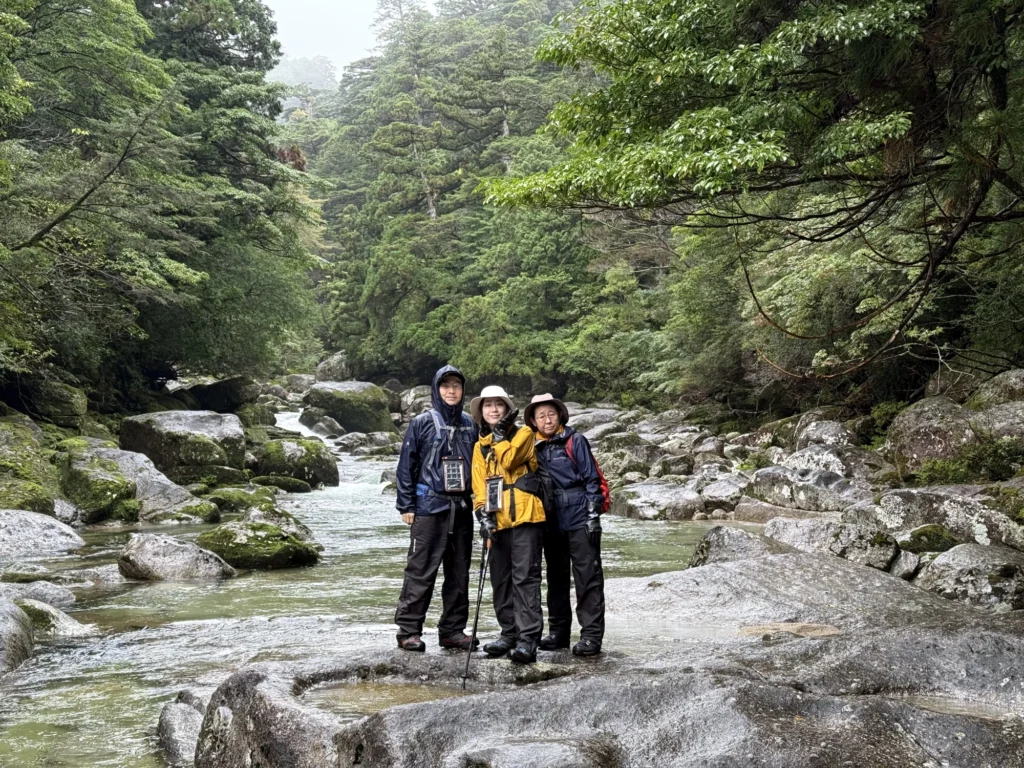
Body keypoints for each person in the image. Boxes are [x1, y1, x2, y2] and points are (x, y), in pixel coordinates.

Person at [394, 365, 479, 652]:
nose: (451, 390)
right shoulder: (422, 423)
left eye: (456, 385)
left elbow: (482, 467)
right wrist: (406, 504)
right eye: (446, 386)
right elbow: (406, 465)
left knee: (459, 572)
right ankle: (409, 631)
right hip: (429, 507)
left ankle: (453, 630)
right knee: (420, 570)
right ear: (436, 389)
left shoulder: (471, 424)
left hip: (463, 509)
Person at [470, 385, 547, 664]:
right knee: (500, 578)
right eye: (487, 405)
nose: (493, 409)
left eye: (498, 405)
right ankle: (508, 634)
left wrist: (500, 436)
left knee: (525, 578)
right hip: (498, 519)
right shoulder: (480, 446)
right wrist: (482, 515)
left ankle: (528, 639)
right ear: (481, 412)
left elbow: (510, 459)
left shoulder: (524, 433)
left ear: (507, 409)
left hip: (527, 516)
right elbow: (479, 483)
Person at [525, 393, 605, 656]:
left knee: (587, 577)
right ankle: (558, 632)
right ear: (533, 422)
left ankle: (591, 636)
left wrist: (593, 516)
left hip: (580, 515)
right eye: (541, 416)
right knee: (556, 578)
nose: (547, 420)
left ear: (560, 415)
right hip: (550, 519)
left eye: (551, 414)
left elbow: (592, 479)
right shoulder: (531, 447)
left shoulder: (576, 441)